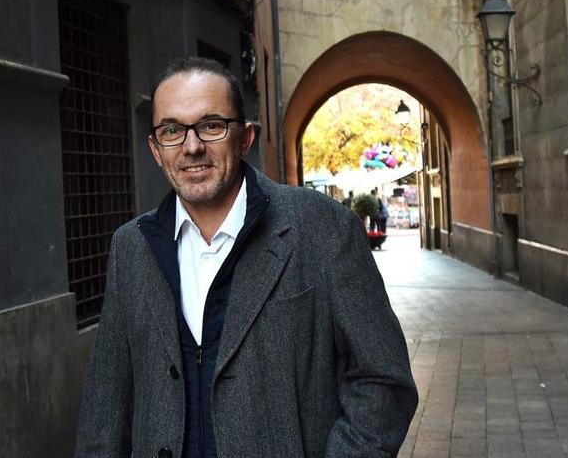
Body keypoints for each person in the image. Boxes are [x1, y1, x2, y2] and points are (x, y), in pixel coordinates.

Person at [75, 57, 417, 458]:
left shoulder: (322, 228)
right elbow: (106, 404)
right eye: (172, 130)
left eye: (211, 125)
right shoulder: (131, 248)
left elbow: (383, 380)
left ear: (245, 138)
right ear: (155, 148)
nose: (191, 146)